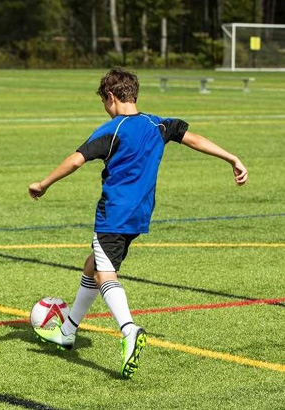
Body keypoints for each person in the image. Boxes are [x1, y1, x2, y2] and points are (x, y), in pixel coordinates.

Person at [28, 67, 248, 379]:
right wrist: (232, 158)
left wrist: (44, 183)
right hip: (140, 215)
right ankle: (68, 330)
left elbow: (77, 159)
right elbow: (195, 139)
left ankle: (129, 330)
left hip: (114, 213)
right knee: (93, 262)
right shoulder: (157, 124)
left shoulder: (112, 129)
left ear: (111, 97)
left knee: (106, 273)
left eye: (104, 101)